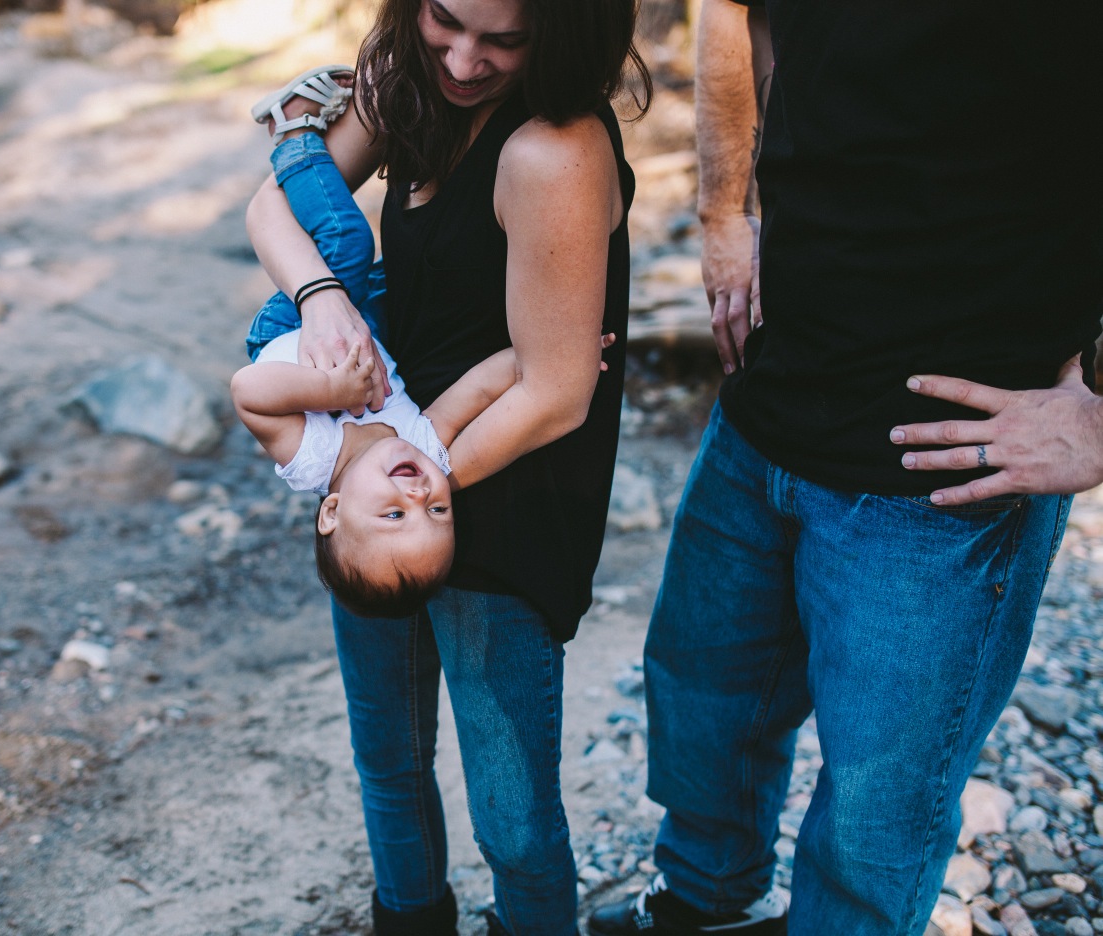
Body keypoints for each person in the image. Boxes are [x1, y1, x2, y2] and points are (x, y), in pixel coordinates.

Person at [587, 1, 1103, 934]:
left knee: (875, 822)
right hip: (771, 396)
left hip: (941, 476)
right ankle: (705, 905)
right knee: (703, 706)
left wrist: (1100, 417)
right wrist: (721, 210)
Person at [245, 2, 650, 933]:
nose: (465, 61)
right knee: (388, 760)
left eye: (503, 39)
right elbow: (275, 203)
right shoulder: (409, 83)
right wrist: (318, 298)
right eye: (445, 20)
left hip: (498, 494)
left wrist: (405, 493)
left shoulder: (553, 150)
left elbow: (553, 393)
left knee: (511, 818)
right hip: (390, 479)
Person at [235, 68, 617, 617]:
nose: (418, 498)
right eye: (439, 512)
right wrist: (565, 345)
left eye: (394, 516)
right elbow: (479, 388)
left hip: (293, 330)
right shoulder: (426, 447)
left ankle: (293, 134)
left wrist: (329, 386)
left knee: (346, 242)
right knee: (433, 276)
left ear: (332, 512)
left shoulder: (314, 460)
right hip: (377, 328)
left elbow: (249, 391)